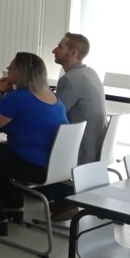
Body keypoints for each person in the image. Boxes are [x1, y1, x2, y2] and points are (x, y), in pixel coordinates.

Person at [0, 52, 67, 234]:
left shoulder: (19, 97)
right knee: (0, 154)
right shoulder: (53, 98)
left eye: (11, 67)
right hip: (53, 164)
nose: (7, 70)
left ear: (20, 72)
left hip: (33, 164)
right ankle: (12, 206)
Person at [52, 33, 106, 165]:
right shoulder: (90, 72)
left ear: (72, 52)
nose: (53, 50)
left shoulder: (69, 80)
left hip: (79, 151)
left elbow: (52, 116)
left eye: (59, 47)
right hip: (95, 148)